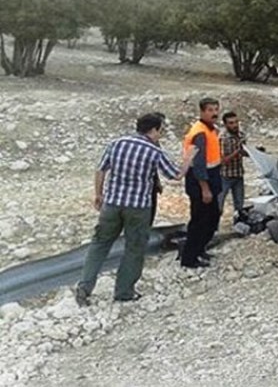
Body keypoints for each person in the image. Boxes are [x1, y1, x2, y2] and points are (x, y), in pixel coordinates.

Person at [75, 113, 195, 306]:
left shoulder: (117, 143)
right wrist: (188, 159)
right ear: (154, 129)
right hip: (138, 207)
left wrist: (98, 194)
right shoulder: (154, 151)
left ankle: (84, 287)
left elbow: (101, 169)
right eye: (160, 131)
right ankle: (124, 291)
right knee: (134, 248)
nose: (160, 135)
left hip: (112, 203)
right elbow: (176, 175)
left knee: (99, 244)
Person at [181, 97, 222, 268]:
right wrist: (205, 189)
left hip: (211, 177)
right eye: (210, 110)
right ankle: (189, 258)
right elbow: (198, 164)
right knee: (199, 220)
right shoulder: (200, 133)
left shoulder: (210, 129)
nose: (214, 113)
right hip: (200, 181)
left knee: (211, 218)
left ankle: (199, 250)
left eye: (216, 109)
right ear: (202, 111)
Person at [219, 111, 248, 225]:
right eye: (231, 123)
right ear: (225, 125)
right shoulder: (223, 138)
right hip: (224, 176)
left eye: (236, 122)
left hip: (238, 174)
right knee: (219, 205)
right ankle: (213, 229)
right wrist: (238, 151)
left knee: (239, 205)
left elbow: (243, 152)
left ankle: (239, 226)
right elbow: (223, 160)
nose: (235, 125)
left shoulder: (241, 135)